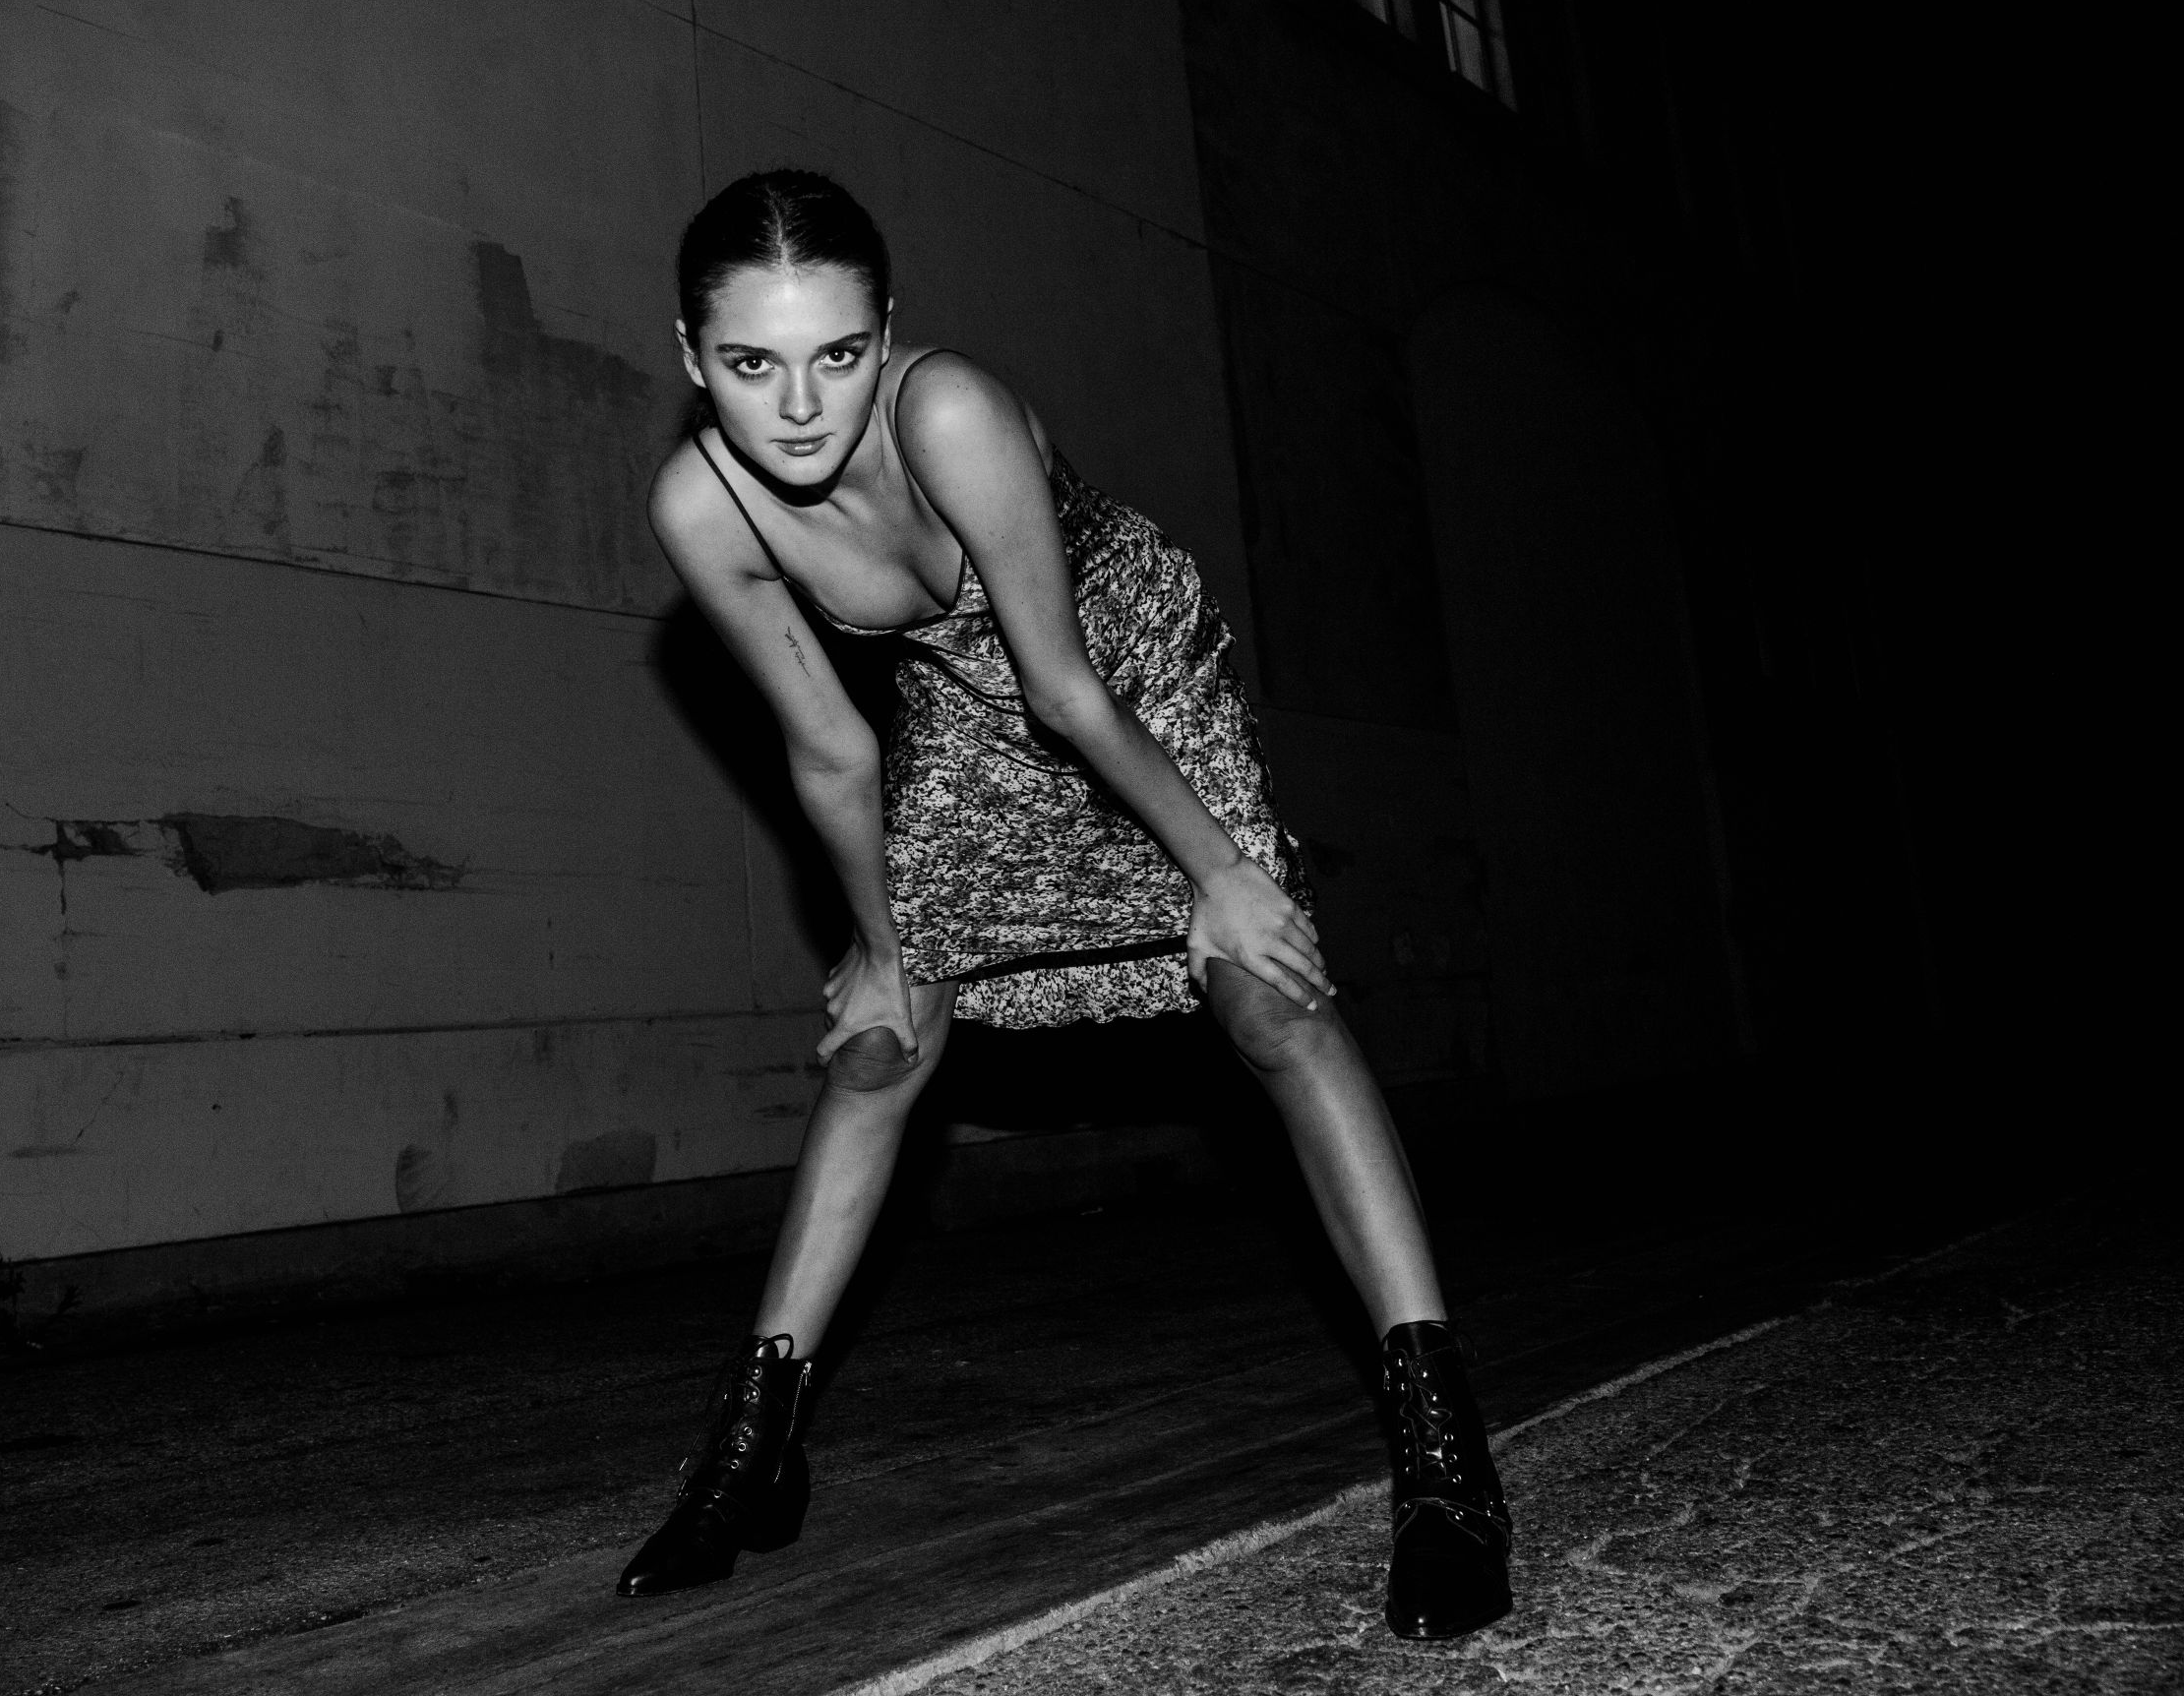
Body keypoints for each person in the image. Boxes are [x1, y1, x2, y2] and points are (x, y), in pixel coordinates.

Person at [615, 169, 1511, 1640]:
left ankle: (1445, 1461)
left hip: (1124, 669)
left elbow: (1066, 688)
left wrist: (1225, 875)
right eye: (752, 363)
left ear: (888, 330)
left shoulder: (950, 414)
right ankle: (749, 1453)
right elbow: (831, 747)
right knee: (882, 1050)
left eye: (839, 354)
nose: (801, 406)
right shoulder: (699, 505)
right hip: (966, 715)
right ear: (689, 356)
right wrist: (884, 949)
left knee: (1268, 1002)